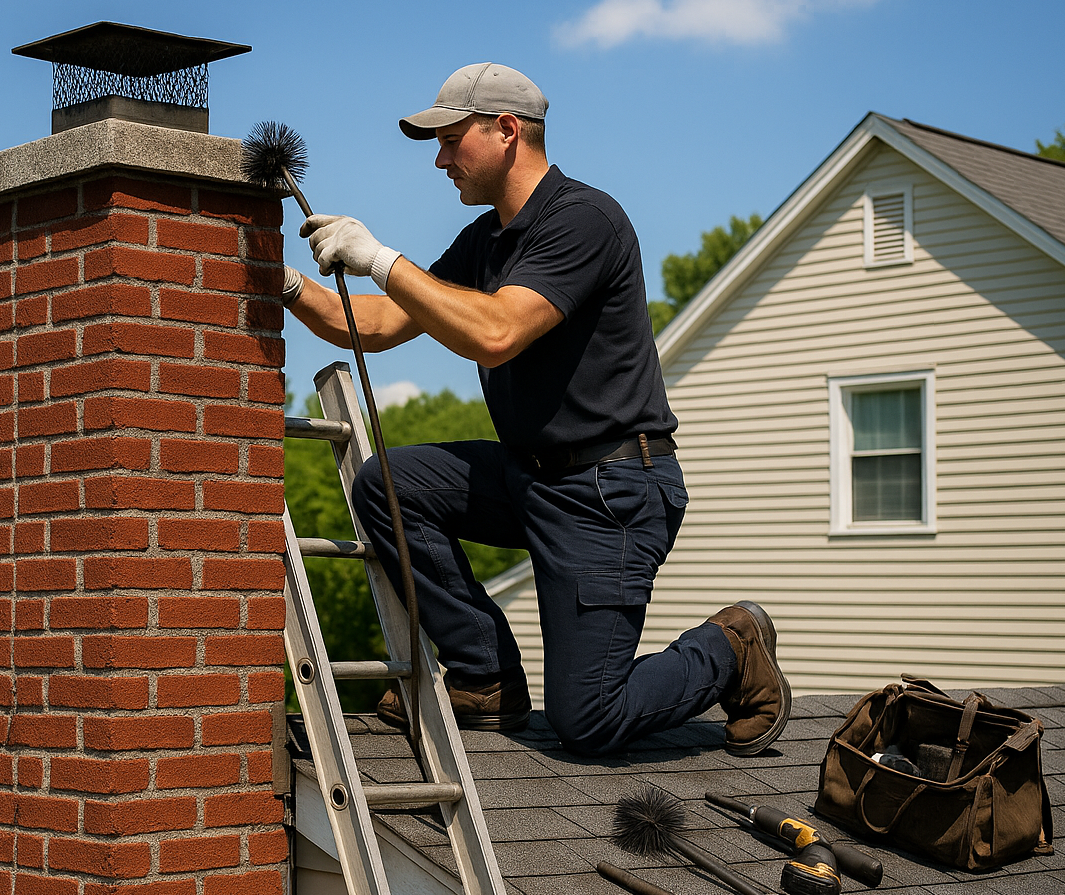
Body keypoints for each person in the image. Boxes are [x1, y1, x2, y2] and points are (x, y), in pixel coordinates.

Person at [280, 63, 790, 758]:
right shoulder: (485, 241)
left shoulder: (584, 220)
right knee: (389, 485)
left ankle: (731, 647)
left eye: (451, 139)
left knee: (588, 720)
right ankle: (486, 679)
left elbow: (496, 333)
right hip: (533, 478)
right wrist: (285, 284)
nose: (439, 159)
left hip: (609, 492)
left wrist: (381, 257)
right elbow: (373, 325)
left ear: (506, 131)